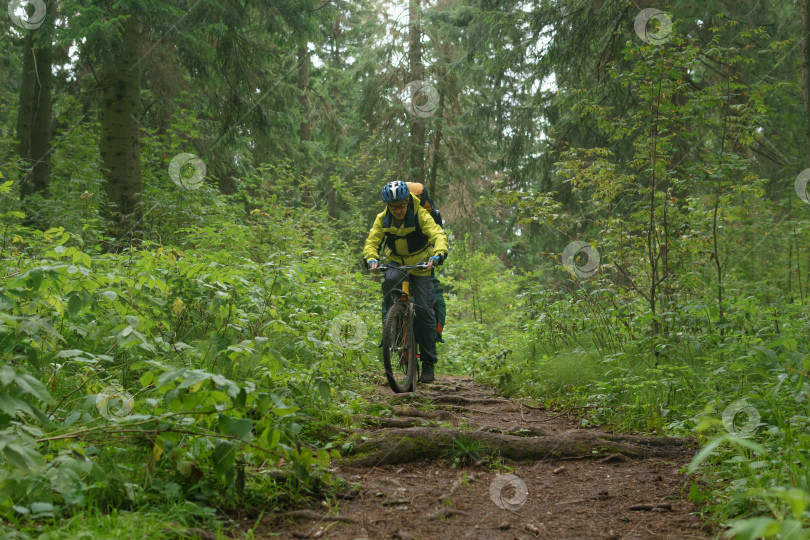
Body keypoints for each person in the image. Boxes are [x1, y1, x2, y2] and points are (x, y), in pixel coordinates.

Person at [363, 180, 449, 383]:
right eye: (394, 207)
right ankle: (393, 324)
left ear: (407, 200)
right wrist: (371, 257)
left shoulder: (420, 214)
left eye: (401, 205)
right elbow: (372, 241)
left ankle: (428, 362)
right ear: (388, 206)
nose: (398, 210)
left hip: (421, 265)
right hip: (396, 263)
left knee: (425, 309)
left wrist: (438, 254)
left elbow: (438, 235)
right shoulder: (382, 218)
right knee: (389, 284)